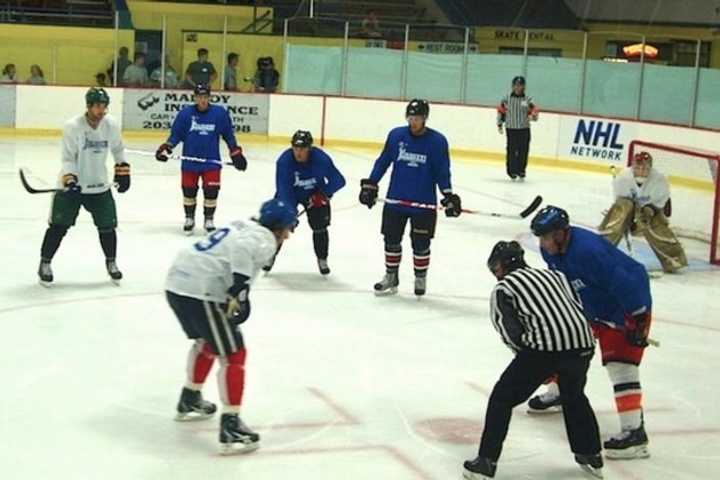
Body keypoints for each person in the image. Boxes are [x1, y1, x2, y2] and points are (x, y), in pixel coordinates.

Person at [165, 198, 297, 454]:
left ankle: (190, 399)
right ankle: (231, 425)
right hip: (201, 291)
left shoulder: (243, 223)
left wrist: (237, 288)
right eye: (287, 230)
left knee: (208, 343)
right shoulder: (265, 239)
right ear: (279, 228)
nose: (287, 236)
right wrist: (239, 287)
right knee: (234, 353)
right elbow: (242, 250)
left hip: (177, 283)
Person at [463, 241, 602, 480]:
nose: (495, 274)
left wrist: (532, 362)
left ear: (502, 266)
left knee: (502, 398)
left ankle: (486, 462)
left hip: (544, 350)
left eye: (495, 269)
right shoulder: (555, 275)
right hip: (583, 344)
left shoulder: (504, 288)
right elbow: (576, 308)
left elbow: (509, 331)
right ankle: (591, 455)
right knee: (574, 395)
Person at [528, 206, 653, 460]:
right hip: (592, 307)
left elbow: (627, 281)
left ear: (562, 233)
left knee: (621, 366)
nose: (542, 243)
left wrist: (637, 318)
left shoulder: (589, 251)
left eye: (546, 236)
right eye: (540, 237)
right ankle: (559, 392)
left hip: (625, 308)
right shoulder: (548, 250)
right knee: (565, 344)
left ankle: (635, 433)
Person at [359, 99, 462, 297]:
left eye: (418, 118)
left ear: (425, 119)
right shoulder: (396, 135)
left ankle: (420, 276)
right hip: (395, 200)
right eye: (411, 117)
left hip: (423, 203)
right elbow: (383, 161)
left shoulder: (437, 141)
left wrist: (448, 195)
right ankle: (391, 276)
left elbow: (442, 171)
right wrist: (371, 183)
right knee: (391, 240)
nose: (413, 122)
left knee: (421, 243)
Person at [37, 88, 130, 285]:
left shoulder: (110, 124)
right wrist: (70, 180)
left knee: (108, 227)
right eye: (98, 106)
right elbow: (68, 157)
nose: (101, 111)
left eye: (104, 106)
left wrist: (123, 171)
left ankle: (111, 263)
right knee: (58, 227)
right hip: (72, 187)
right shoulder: (73, 126)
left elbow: (118, 149)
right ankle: (45, 262)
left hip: (99, 187)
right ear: (88, 106)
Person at [155, 84, 247, 234]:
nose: (202, 100)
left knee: (211, 191)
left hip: (211, 162)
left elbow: (228, 136)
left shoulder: (219, 114)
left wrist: (235, 152)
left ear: (209, 97)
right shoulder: (185, 114)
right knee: (188, 191)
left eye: (205, 97)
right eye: (199, 97)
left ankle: (209, 219)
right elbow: (175, 135)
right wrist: (167, 147)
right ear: (195, 98)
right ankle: (189, 218)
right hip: (190, 161)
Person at [268, 130, 346, 275]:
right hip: (291, 194)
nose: (298, 153)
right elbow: (284, 190)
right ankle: (270, 255)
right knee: (279, 224)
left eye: (302, 149)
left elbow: (339, 180)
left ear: (309, 148)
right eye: (295, 148)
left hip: (315, 194)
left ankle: (322, 259)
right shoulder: (284, 161)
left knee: (320, 226)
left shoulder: (321, 159)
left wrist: (324, 194)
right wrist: (290, 214)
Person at [599, 151, 687, 273]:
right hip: (628, 208)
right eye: (637, 167)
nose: (640, 170)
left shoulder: (660, 179)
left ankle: (673, 259)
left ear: (650, 167)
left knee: (654, 223)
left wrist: (650, 209)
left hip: (649, 211)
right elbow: (619, 202)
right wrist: (627, 219)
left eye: (644, 167)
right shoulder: (622, 178)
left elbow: (661, 202)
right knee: (620, 214)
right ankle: (599, 253)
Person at [497, 76, 538, 181]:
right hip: (511, 128)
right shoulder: (506, 98)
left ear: (523, 87)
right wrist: (499, 124)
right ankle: (511, 171)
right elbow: (501, 111)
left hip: (524, 128)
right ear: (512, 86)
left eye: (520, 85)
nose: (517, 87)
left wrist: (533, 115)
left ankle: (521, 170)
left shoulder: (527, 99)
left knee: (523, 150)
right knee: (511, 150)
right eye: (516, 85)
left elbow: (534, 109)